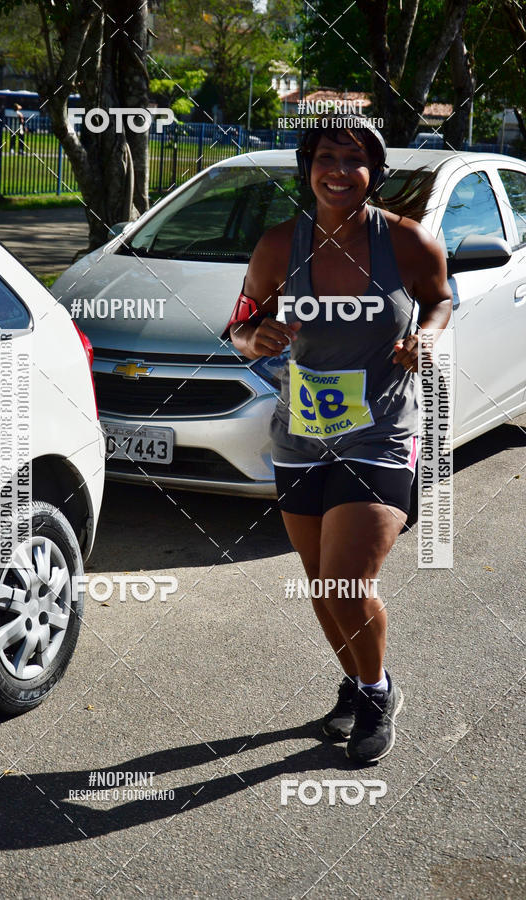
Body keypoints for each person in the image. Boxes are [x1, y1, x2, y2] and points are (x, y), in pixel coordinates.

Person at [225, 118, 452, 764]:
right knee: (322, 582)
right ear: (308, 167)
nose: (339, 171)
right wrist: (254, 338)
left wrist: (427, 336)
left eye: (355, 160)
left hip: (379, 433)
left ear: (373, 174)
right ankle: (357, 681)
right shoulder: (278, 245)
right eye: (327, 157)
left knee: (348, 581)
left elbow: (439, 299)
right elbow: (239, 324)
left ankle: (378, 694)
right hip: (300, 437)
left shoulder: (406, 242)